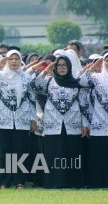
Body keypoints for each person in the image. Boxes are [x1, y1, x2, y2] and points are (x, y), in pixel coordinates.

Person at [31, 55, 89, 188]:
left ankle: (73, 183)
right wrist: (46, 71)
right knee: (54, 154)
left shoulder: (76, 83)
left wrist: (85, 124)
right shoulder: (49, 81)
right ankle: (54, 183)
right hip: (53, 123)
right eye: (59, 65)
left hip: (72, 123)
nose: (62, 68)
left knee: (72, 153)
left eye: (64, 65)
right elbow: (33, 85)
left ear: (69, 67)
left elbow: (83, 104)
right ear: (55, 67)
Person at [0, 50, 36, 189]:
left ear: (20, 61)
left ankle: (20, 181)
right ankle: (4, 181)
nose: (13, 61)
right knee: (3, 152)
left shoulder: (26, 77)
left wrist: (33, 119)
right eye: (11, 59)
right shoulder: (0, 76)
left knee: (21, 151)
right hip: (3, 119)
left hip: (22, 119)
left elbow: (32, 99)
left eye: (16, 59)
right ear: (6, 61)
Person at [79, 55, 108, 188]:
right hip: (99, 121)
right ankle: (97, 183)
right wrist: (92, 68)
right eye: (107, 60)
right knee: (99, 154)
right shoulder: (96, 78)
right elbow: (82, 83)